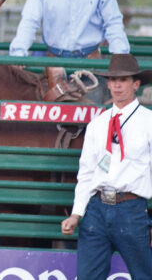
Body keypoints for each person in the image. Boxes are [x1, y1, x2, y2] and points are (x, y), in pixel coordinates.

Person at [60, 53, 152, 279]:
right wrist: (77, 213)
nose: (116, 85)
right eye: (112, 80)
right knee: (88, 275)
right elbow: (87, 172)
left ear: (136, 84)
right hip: (96, 208)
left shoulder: (148, 122)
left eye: (123, 80)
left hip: (132, 208)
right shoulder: (97, 124)